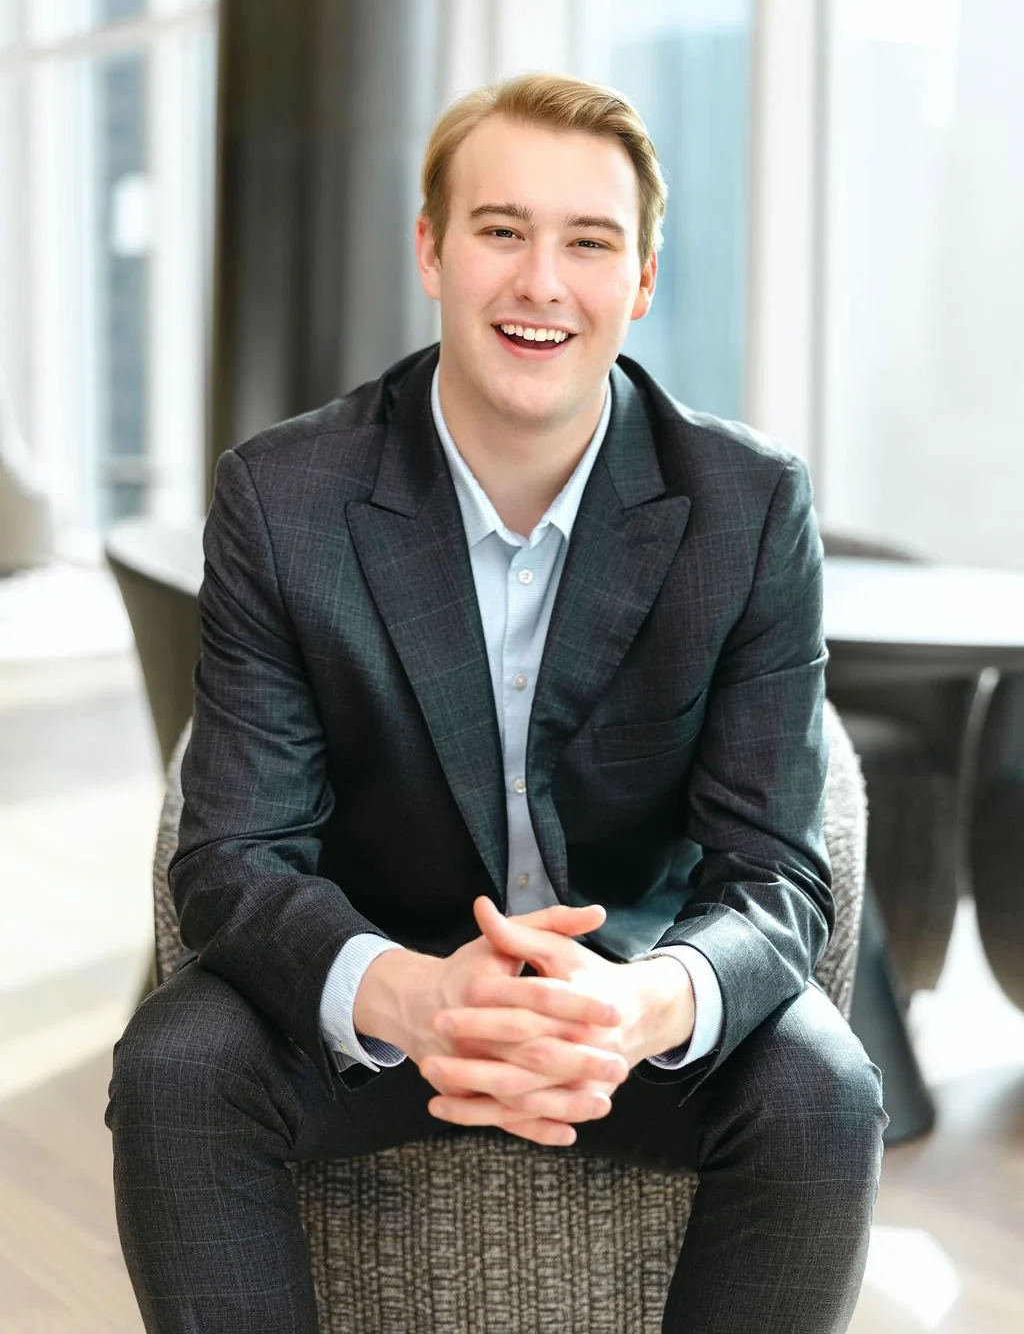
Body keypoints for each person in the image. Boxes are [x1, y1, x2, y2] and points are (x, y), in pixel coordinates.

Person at [107, 73, 886, 1333]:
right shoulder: (283, 496)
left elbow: (777, 872)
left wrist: (644, 1003)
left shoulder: (746, 506)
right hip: (390, 994)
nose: (541, 281)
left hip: (619, 1005)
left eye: (589, 242)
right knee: (175, 1064)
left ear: (638, 280)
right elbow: (234, 856)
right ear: (430, 249)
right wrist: (410, 992)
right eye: (500, 230)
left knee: (822, 1088)